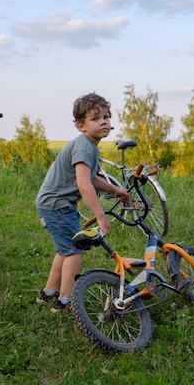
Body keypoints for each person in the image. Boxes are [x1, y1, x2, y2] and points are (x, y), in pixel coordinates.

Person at [35, 93, 129, 312]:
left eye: (106, 116)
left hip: (53, 204)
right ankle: (65, 300)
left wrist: (114, 189)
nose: (104, 121)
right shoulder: (84, 146)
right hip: (58, 205)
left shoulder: (89, 146)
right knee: (75, 251)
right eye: (95, 119)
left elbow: (91, 179)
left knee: (65, 250)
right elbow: (84, 184)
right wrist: (100, 216)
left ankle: (49, 292)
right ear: (81, 126)